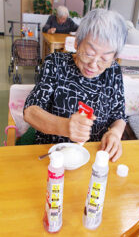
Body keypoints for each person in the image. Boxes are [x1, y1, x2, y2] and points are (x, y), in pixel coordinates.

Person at [24, 9, 128, 162]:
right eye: (89, 54)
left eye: (104, 59)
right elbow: (30, 111)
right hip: (52, 155)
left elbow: (118, 115)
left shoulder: (113, 71)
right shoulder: (55, 63)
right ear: (77, 42)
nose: (94, 65)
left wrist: (115, 133)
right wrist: (65, 126)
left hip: (92, 156)